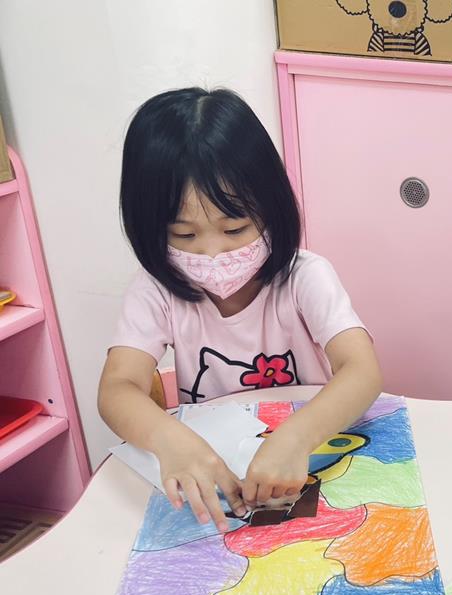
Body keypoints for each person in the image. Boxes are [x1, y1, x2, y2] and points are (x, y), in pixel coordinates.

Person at [99, 87, 382, 532]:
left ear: (271, 209)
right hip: (219, 475)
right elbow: (117, 389)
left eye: (234, 228)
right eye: (184, 235)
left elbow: (362, 371)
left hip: (311, 451)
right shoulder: (155, 292)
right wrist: (170, 440)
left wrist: (297, 437)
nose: (213, 252)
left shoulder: (305, 277)